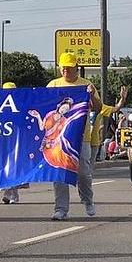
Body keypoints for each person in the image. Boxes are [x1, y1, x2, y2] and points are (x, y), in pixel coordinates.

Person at [46, 52, 103, 221]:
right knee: (60, 174)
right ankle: (61, 209)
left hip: (81, 136)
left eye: (69, 68)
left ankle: (87, 200)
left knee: (84, 174)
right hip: (59, 138)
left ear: (76, 68)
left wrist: (91, 95)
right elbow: (43, 105)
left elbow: (98, 108)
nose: (66, 70)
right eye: (63, 67)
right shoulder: (53, 85)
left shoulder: (86, 85)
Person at [0, 81, 30, 204]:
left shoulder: (20, 105)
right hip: (4, 139)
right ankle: (11, 193)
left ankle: (10, 194)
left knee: (14, 165)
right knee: (6, 166)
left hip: (17, 139)